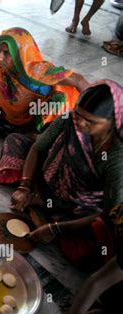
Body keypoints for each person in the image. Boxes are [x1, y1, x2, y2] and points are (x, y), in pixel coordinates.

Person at [10, 80, 122, 271]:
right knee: (15, 142)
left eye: (91, 122)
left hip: (81, 208)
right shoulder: (68, 120)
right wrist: (24, 186)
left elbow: (108, 215)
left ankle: (52, 215)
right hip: (47, 182)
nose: (80, 123)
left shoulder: (117, 157)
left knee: (90, 252)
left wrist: (56, 229)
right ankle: (41, 201)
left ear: (114, 121)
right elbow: (37, 148)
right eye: (78, 114)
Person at [0, 27, 88, 148]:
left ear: (20, 54)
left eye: (6, 53)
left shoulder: (37, 73)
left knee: (60, 98)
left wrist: (95, 112)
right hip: (21, 108)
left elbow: (79, 80)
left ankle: (37, 132)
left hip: (37, 112)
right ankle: (9, 119)